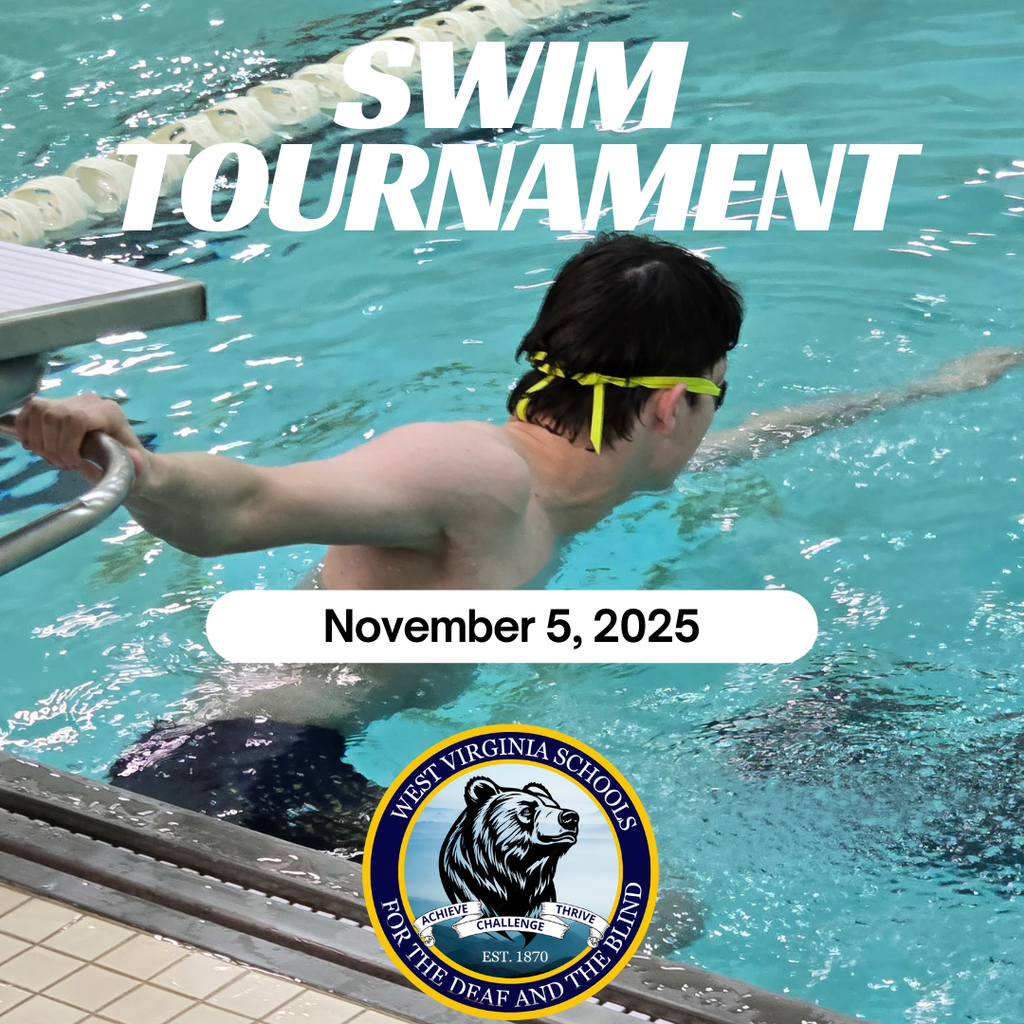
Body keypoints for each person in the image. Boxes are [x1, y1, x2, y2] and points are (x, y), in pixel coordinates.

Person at [11, 233, 1024, 857]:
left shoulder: (580, 481)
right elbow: (239, 507)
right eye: (719, 396)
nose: (725, 421)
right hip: (232, 777)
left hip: (285, 771)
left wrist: (923, 390)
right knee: (646, 924)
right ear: (674, 402)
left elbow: (763, 437)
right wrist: (130, 460)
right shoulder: (474, 474)